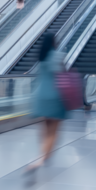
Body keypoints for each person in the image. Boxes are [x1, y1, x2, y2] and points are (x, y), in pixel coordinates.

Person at [27, 34, 66, 172]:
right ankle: (41, 159)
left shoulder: (41, 57)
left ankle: (44, 154)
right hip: (55, 96)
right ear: (54, 42)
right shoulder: (57, 56)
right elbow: (63, 76)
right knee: (53, 132)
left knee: (45, 127)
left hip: (40, 95)